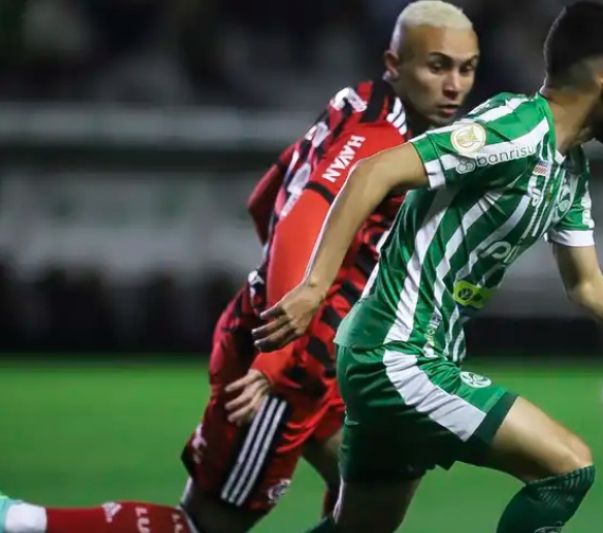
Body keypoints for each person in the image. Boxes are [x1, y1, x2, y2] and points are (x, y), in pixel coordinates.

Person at [0, 2, 480, 532]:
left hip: (328, 357)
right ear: (395, 63)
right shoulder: (377, 140)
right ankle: (21, 521)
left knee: (371, 492)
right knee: (207, 525)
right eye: (437, 66)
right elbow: (301, 217)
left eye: (467, 68)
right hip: (285, 363)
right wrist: (276, 354)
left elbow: (264, 196)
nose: (455, 85)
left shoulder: (362, 103)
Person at [252, 3, 603, 532]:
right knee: (567, 468)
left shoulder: (568, 167)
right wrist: (315, 286)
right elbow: (374, 170)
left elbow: (586, 284)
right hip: (397, 354)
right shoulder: (516, 129)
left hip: (399, 354)